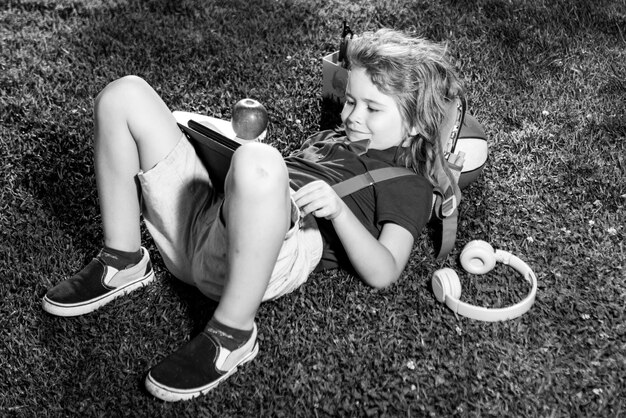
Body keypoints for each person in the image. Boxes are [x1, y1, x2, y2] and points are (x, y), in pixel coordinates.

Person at [42, 28, 464, 401]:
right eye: (351, 100)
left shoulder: (407, 184)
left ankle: (232, 334)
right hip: (210, 223)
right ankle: (123, 260)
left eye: (373, 109)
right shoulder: (335, 138)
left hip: (280, 250)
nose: (353, 116)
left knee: (260, 161)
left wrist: (337, 211)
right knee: (124, 94)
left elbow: (385, 270)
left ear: (414, 125)